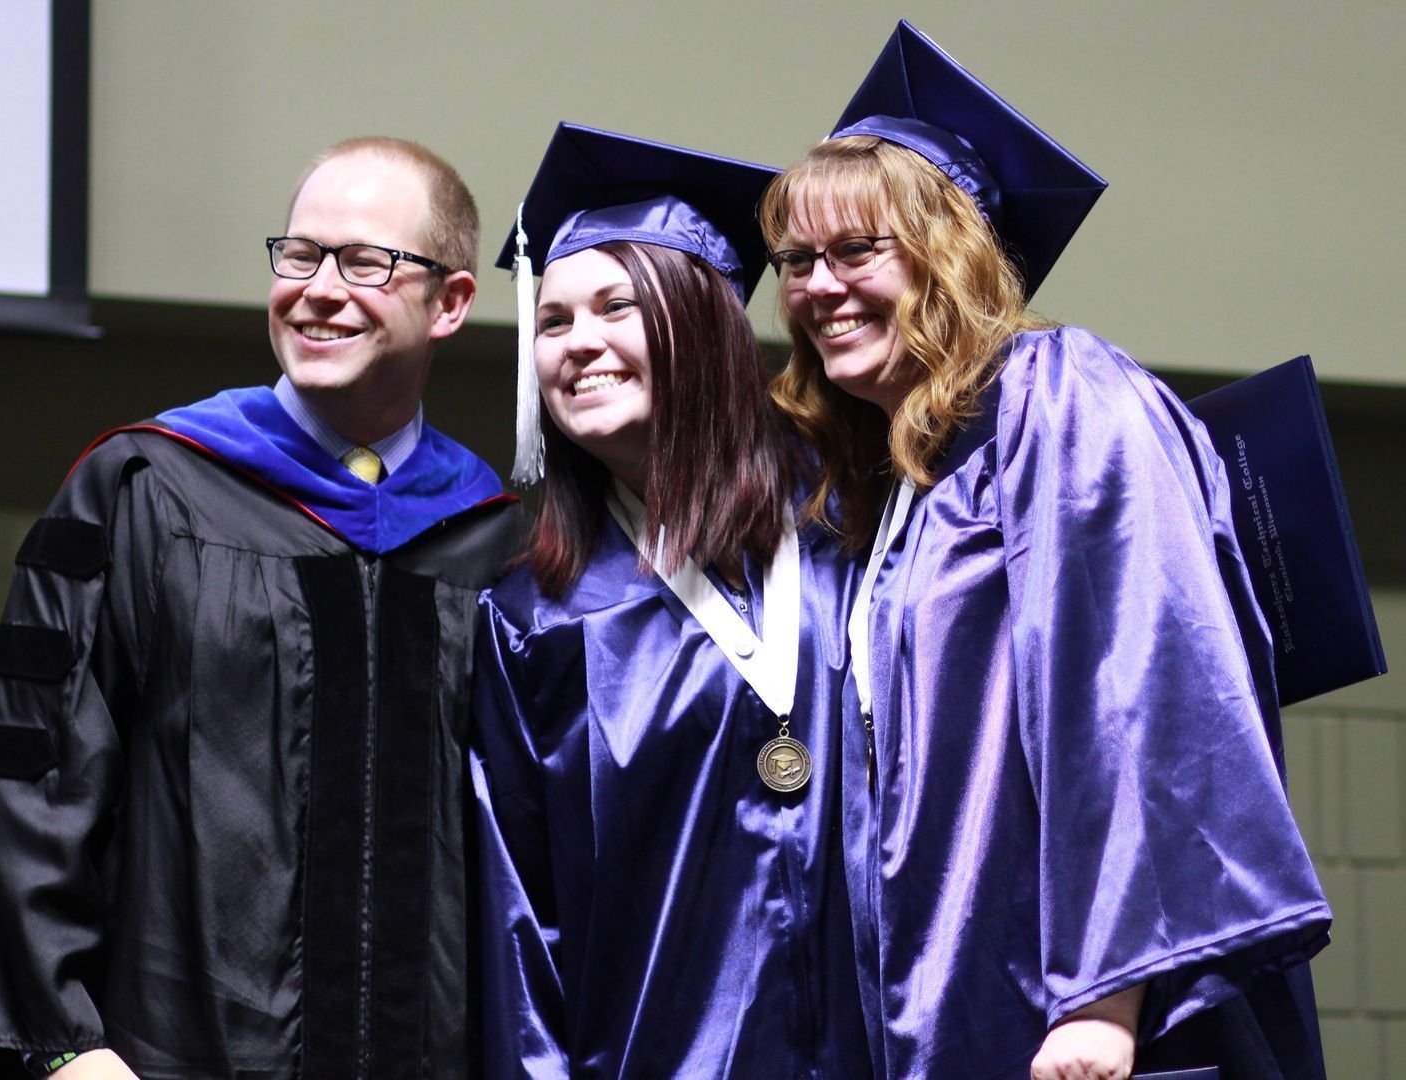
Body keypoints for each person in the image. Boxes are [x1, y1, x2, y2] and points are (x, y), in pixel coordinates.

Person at [758, 22, 1332, 1080]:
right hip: (945, 1006)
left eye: (854, 251)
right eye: (796, 262)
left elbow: (1140, 684)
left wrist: (1104, 995)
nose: (818, 287)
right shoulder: (890, 481)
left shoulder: (1059, 397)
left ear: (946, 254)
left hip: (1074, 1020)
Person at [0, 136, 522, 1079]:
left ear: (450, 302)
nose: (319, 287)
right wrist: (63, 1044)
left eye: (366, 261)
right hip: (165, 1057)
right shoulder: (143, 490)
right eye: (299, 254)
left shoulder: (497, 544)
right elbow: (28, 775)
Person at [470, 123, 870, 1077]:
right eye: (553, 321)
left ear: (701, 322)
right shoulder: (537, 620)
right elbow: (523, 929)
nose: (579, 344)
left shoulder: (857, 526)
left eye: (616, 306)